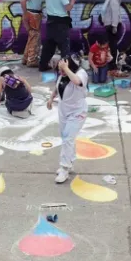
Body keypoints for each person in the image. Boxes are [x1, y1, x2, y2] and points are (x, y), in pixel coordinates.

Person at [47, 53, 88, 183]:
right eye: (59, 70)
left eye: (62, 69)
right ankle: (70, 162)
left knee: (67, 139)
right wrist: (51, 97)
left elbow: (76, 81)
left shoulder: (81, 73)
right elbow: (58, 85)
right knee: (66, 138)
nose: (60, 72)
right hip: (63, 110)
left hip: (77, 112)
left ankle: (64, 168)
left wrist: (66, 69)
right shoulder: (63, 73)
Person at [39, 0, 76, 72]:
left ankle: (42, 66)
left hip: (50, 20)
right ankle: (65, 69)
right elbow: (68, 7)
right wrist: (72, 0)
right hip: (61, 22)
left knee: (49, 45)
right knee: (64, 47)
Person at [20, 0, 50, 67]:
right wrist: (25, 14)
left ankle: (26, 58)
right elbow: (23, 0)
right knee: (35, 38)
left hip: (33, 13)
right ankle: (32, 60)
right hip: (33, 14)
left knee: (32, 37)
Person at [100, 0, 121, 74]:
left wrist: (114, 26)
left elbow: (115, 13)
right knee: (110, 46)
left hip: (113, 26)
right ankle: (111, 64)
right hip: (109, 25)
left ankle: (113, 65)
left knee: (113, 46)